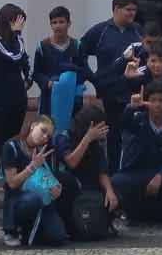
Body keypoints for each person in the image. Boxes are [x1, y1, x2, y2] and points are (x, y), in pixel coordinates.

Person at [0, 4, 33, 207]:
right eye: (17, 22)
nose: (20, 27)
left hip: (17, 100)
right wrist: (17, 35)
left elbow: (24, 61)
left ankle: (12, 187)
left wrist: (27, 79)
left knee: (13, 146)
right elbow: (13, 57)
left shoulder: (17, 41)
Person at [112, 83, 162, 225]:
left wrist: (161, 175)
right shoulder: (138, 120)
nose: (157, 104)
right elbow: (124, 123)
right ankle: (133, 215)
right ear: (147, 102)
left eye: (161, 101)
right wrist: (131, 108)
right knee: (119, 180)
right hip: (138, 171)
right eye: (153, 100)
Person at [80, 0, 145, 162]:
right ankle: (113, 176)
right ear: (116, 9)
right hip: (110, 94)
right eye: (128, 10)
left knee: (135, 136)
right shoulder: (100, 31)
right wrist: (93, 78)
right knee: (113, 137)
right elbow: (79, 53)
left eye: (134, 10)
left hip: (133, 93)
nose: (132, 13)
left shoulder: (138, 31)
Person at [52, 101, 121, 240]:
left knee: (119, 187)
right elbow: (71, 162)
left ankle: (102, 223)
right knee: (65, 181)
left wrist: (109, 191)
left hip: (90, 185)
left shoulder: (98, 142)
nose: (103, 130)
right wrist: (87, 139)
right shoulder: (63, 137)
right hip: (70, 187)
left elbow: (102, 170)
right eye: (100, 126)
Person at [0, 115, 69, 247]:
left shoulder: (44, 150)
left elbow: (46, 176)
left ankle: (32, 230)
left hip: (42, 197)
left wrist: (55, 188)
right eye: (43, 130)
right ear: (32, 126)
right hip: (18, 197)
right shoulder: (11, 147)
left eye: (48, 136)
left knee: (58, 237)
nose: (44, 137)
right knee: (32, 199)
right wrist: (32, 167)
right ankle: (12, 230)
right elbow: (12, 183)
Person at [32, 5, 89, 133]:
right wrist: (47, 82)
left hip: (72, 98)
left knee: (71, 132)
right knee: (47, 133)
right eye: (54, 22)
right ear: (50, 25)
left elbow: (84, 71)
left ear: (69, 24)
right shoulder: (42, 47)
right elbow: (36, 73)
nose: (58, 26)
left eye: (61, 22)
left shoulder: (77, 46)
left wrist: (76, 86)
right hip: (49, 98)